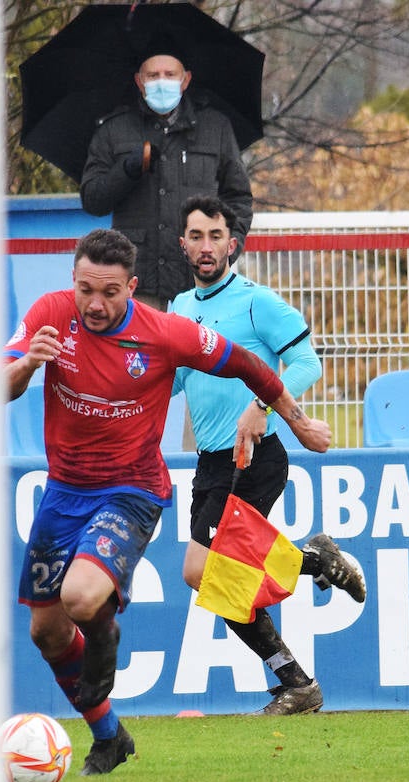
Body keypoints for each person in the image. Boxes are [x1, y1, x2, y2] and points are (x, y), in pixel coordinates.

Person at [3, 228, 331, 774]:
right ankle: (109, 738)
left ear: (131, 288)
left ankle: (105, 632)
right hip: (64, 492)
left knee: (82, 599)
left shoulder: (165, 333)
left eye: (110, 292)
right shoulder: (50, 316)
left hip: (130, 489)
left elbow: (250, 366)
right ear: (73, 283)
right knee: (47, 630)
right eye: (86, 290)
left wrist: (296, 424)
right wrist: (27, 365)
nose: (96, 304)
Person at [170, 194, 366, 716]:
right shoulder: (179, 309)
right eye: (196, 236)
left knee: (208, 572)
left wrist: (263, 407)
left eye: (215, 237)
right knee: (214, 577)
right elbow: (175, 382)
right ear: (182, 245)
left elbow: (306, 362)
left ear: (233, 245)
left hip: (257, 456)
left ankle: (297, 681)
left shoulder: (257, 302)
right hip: (212, 462)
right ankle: (315, 572)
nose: (206, 247)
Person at [80, 49, 253, 309]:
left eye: (170, 74)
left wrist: (226, 249)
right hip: (136, 280)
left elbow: (238, 196)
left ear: (185, 80)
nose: (162, 82)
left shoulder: (215, 127)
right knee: (140, 350)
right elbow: (93, 199)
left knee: (197, 349)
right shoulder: (113, 129)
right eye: (153, 75)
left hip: (197, 280)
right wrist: (126, 169)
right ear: (139, 81)